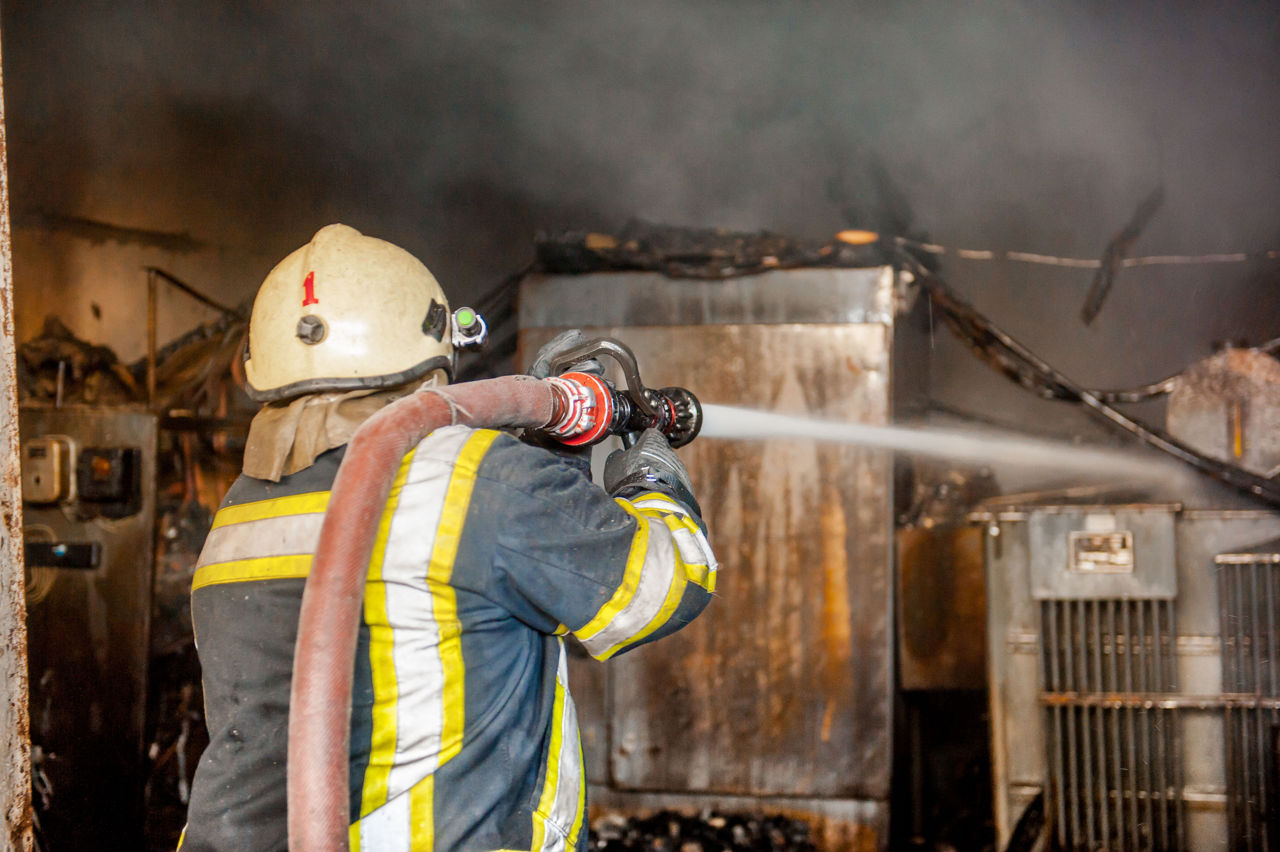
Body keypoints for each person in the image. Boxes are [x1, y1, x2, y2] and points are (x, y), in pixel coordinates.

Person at [179, 224, 717, 852]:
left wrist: (550, 457)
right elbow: (665, 587)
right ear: (435, 346)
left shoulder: (239, 513)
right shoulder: (475, 478)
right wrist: (653, 477)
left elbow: (490, 571)